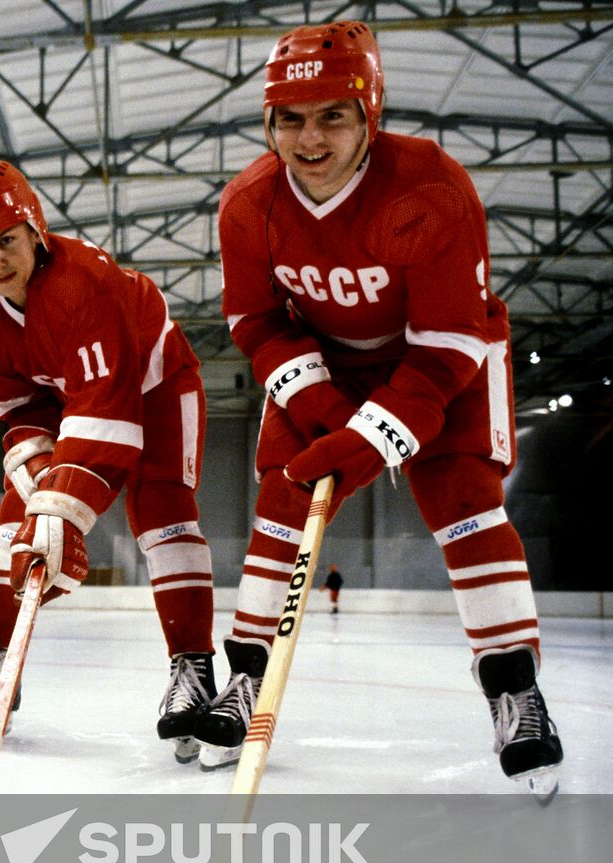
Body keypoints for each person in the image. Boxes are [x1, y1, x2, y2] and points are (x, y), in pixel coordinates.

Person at [204, 20, 563, 790]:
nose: (311, 137)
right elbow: (255, 320)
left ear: (372, 112)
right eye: (291, 118)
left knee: (465, 497)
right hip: (323, 357)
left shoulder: (431, 186)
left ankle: (513, 689)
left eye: (334, 113)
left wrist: (372, 439)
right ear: (268, 122)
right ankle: (245, 678)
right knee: (280, 498)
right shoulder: (246, 206)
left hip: (441, 350)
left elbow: (445, 345)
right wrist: (329, 405)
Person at [0, 161, 216, 762]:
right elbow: (22, 410)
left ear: (35, 229)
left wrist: (63, 514)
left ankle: (193, 667)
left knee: (162, 510)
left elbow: (106, 411)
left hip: (153, 382)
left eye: (7, 241)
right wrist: (41, 495)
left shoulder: (81, 281)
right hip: (74, 400)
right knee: (16, 516)